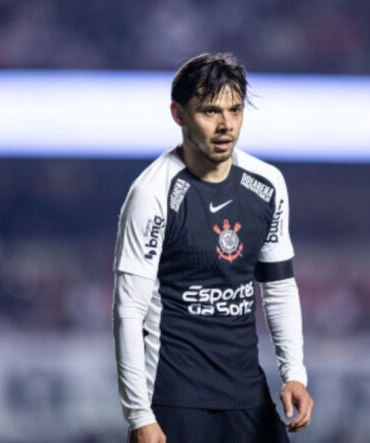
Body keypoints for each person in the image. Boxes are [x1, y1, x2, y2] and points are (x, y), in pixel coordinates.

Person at [112, 53, 313, 443]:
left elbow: (279, 287)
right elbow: (128, 310)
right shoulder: (152, 194)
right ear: (178, 114)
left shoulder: (268, 185)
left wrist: (294, 374)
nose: (226, 125)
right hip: (176, 399)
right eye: (209, 111)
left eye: (235, 110)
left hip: (248, 397)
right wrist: (139, 414)